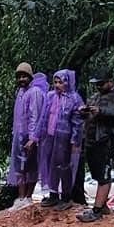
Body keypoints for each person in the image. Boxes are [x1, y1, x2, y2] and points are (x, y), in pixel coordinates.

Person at [77, 68, 114, 223]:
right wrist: (84, 112)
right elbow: (90, 116)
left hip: (107, 141)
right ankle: (102, 205)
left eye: (101, 84)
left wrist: (102, 112)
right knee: (96, 173)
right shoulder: (95, 97)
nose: (99, 87)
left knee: (104, 174)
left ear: (110, 81)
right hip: (92, 140)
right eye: (97, 84)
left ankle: (96, 210)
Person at [36, 69, 84, 210]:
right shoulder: (50, 96)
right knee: (51, 166)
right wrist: (39, 135)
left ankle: (66, 197)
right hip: (49, 137)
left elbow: (77, 121)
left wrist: (75, 140)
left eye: (61, 82)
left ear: (68, 83)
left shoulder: (74, 99)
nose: (57, 85)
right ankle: (53, 194)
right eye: (55, 82)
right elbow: (43, 116)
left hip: (65, 138)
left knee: (64, 167)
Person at [7, 64, 49, 204]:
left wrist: (32, 138)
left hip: (30, 137)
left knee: (30, 167)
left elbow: (35, 116)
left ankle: (28, 197)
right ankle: (21, 198)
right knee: (19, 168)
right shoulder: (20, 92)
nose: (21, 79)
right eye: (19, 77)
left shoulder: (35, 92)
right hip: (19, 135)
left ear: (30, 77)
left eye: (24, 76)